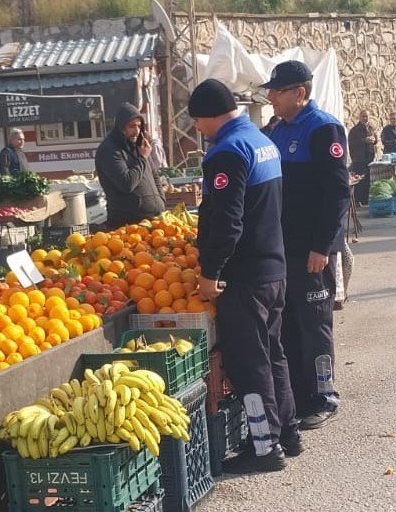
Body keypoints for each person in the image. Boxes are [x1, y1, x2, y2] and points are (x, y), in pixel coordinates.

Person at [187, 78, 298, 472]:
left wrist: (210, 271)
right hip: (273, 267)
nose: (197, 129)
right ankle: (287, 431)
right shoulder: (261, 140)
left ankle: (265, 448)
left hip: (245, 275)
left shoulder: (227, 152)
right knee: (273, 352)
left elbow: (228, 223)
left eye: (197, 121)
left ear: (210, 116)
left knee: (249, 361)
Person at [263, 60, 350, 430]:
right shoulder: (276, 129)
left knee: (315, 323)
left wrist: (323, 246)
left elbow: (337, 192)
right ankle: (297, 397)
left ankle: (323, 394)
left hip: (310, 250)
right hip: (282, 247)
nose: (270, 98)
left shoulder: (322, 128)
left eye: (277, 91)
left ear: (299, 93)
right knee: (289, 323)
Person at [94, 103, 166, 229]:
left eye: (139, 126)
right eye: (132, 126)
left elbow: (154, 177)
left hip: (154, 222)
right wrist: (142, 158)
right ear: (121, 127)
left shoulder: (140, 146)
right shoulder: (110, 150)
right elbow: (126, 183)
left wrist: (161, 201)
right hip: (128, 227)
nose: (137, 131)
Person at [347, 109, 377, 204]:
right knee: (359, 180)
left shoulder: (371, 128)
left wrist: (374, 140)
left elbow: (376, 139)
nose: (365, 118)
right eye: (363, 116)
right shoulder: (355, 130)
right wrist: (364, 140)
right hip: (359, 159)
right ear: (359, 117)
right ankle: (357, 200)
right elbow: (352, 143)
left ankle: (365, 200)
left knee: (368, 180)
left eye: (367, 116)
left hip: (369, 157)